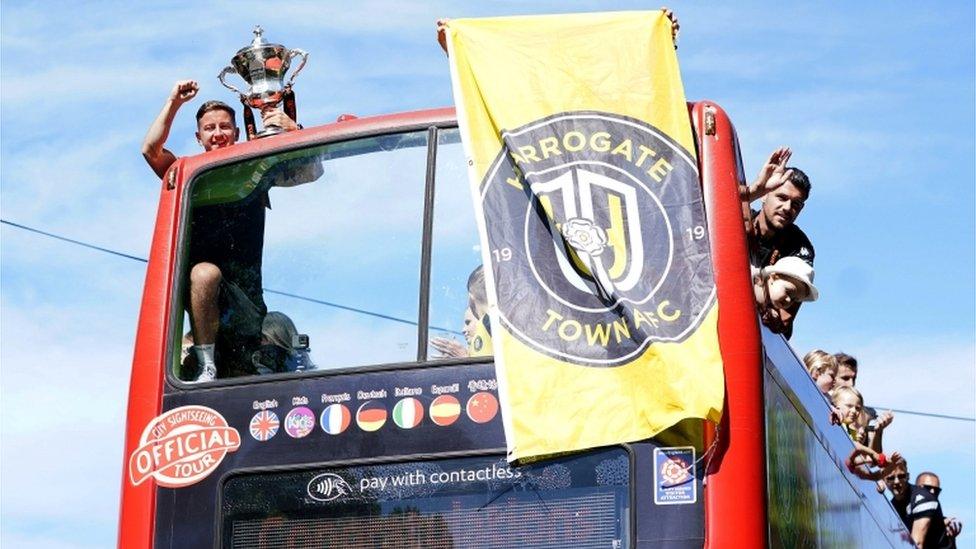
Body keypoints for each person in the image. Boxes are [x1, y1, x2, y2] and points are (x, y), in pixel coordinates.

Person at [142, 80, 300, 382]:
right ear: (199, 136)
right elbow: (151, 149)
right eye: (210, 128)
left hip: (247, 296)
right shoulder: (190, 174)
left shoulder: (254, 168)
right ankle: (206, 364)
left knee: (241, 377)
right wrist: (174, 101)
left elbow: (309, 172)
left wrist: (293, 131)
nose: (218, 134)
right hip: (203, 294)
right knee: (204, 273)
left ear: (237, 133)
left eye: (224, 127)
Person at [743, 147, 814, 337]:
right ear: (766, 195)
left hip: (760, 338)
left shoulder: (799, 246)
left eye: (796, 204)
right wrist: (754, 189)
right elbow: (707, 205)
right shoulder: (739, 219)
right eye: (781, 198)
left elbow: (783, 317)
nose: (787, 208)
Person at [885, 461, 958, 548]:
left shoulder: (923, 499)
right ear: (883, 479)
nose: (896, 482)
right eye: (890, 478)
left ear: (908, 477)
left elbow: (917, 544)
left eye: (901, 476)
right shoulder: (891, 507)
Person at [430, 265, 493, 358]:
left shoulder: (492, 325)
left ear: (471, 299)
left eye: (468, 322)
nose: (463, 330)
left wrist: (464, 358)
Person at [752, 256, 818, 331]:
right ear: (774, 277)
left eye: (794, 299)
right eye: (788, 292)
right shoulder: (751, 278)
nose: (789, 300)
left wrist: (767, 312)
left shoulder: (768, 304)